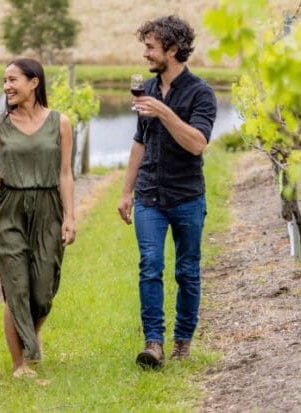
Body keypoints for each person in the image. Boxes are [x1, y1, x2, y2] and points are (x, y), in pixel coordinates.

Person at [117, 15, 217, 369]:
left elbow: (197, 144)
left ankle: (183, 343)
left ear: (172, 50)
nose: (145, 53)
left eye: (150, 46)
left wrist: (164, 112)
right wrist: (126, 191)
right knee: (150, 266)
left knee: (187, 271)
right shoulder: (146, 87)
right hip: (148, 197)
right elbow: (139, 143)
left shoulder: (201, 93)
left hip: (187, 196)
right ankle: (154, 344)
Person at [0, 58, 76, 378]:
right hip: (10, 208)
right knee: (17, 286)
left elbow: (65, 173)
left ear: (34, 82)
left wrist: (70, 217)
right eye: (4, 80)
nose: (6, 86)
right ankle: (20, 363)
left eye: (13, 79)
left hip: (49, 206)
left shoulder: (60, 122)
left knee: (43, 291)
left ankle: (30, 337)